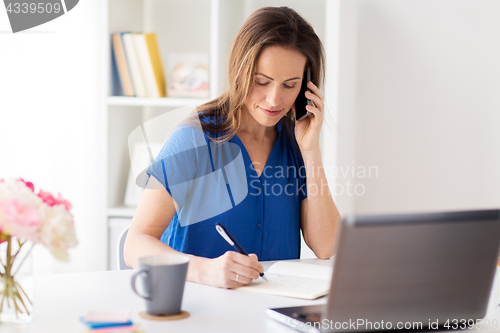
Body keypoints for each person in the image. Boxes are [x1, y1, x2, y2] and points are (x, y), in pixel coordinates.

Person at [124, 6, 341, 289]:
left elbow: (326, 246)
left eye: (290, 85)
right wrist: (204, 270)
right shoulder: (193, 138)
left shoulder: (296, 144)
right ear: (240, 71)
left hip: (273, 313)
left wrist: (311, 151)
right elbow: (135, 244)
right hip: (200, 309)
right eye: (261, 81)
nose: (274, 99)